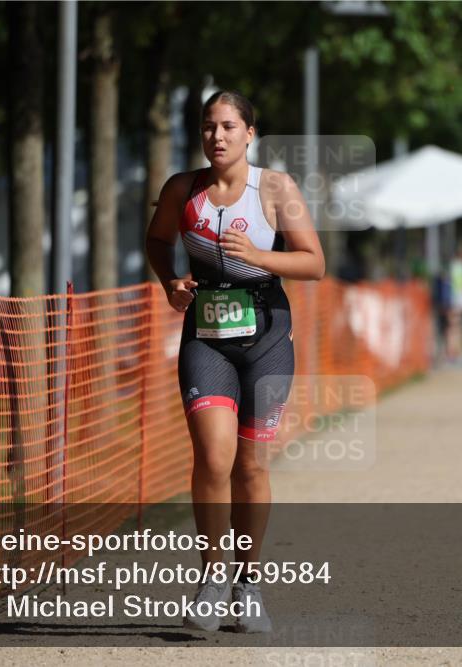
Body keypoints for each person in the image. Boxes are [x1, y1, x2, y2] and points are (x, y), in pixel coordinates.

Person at [145, 90, 325, 633]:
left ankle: (248, 584)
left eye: (227, 126)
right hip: (206, 336)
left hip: (267, 338)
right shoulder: (182, 189)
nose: (216, 136)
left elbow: (314, 262)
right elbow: (157, 241)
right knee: (213, 457)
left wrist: (259, 257)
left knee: (250, 466)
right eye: (207, 126)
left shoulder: (275, 188)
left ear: (250, 133)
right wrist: (171, 281)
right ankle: (213, 579)